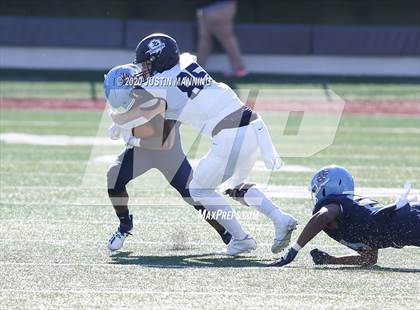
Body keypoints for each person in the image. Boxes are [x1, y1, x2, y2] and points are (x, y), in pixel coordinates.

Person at [108, 33, 297, 256]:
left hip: (229, 133)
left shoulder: (162, 87)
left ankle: (240, 239)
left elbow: (142, 115)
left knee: (198, 189)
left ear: (160, 59)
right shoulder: (187, 60)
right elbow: (181, 65)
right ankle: (280, 218)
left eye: (148, 63)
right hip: (252, 125)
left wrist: (120, 123)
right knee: (234, 187)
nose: (145, 69)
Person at [104, 66, 232, 251]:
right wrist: (121, 120)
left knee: (193, 194)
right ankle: (125, 225)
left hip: (167, 153)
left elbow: (163, 142)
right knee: (113, 178)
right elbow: (126, 112)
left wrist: (131, 135)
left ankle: (227, 234)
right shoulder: (137, 90)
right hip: (141, 151)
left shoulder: (162, 95)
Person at [270, 165, 420, 267]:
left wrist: (294, 249)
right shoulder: (352, 212)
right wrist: (331, 260)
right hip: (406, 220)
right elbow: (369, 259)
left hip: (406, 223)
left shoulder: (334, 206)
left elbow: (322, 217)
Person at [196, 0, 247, 77]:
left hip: (217, 6)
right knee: (205, 39)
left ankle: (239, 67)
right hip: (208, 8)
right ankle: (197, 69)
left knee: (225, 37)